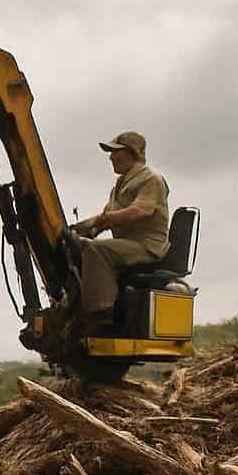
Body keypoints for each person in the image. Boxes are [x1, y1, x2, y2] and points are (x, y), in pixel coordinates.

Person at [72, 131, 170, 333]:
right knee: (79, 247)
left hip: (146, 246)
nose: (111, 156)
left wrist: (103, 221)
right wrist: (74, 231)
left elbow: (140, 211)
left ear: (131, 152)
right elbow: (103, 219)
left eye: (115, 151)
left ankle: (99, 314)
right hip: (128, 244)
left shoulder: (151, 178)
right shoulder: (120, 184)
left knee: (96, 250)